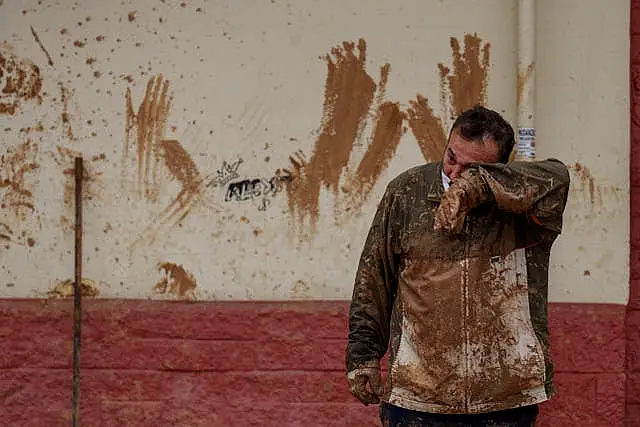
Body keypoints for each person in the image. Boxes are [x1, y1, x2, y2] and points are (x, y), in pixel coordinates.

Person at [345, 105, 570, 426]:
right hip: (418, 396)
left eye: (472, 168)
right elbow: (374, 278)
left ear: (497, 169)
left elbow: (558, 176)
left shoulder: (525, 210)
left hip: (504, 397)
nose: (453, 174)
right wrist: (362, 356)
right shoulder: (407, 192)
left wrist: (478, 187)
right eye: (452, 157)